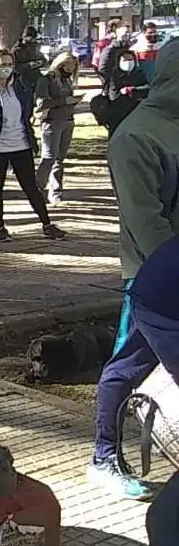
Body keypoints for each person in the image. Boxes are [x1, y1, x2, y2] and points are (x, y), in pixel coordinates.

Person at [89, 40, 179, 500]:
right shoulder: (135, 137)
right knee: (127, 364)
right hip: (152, 279)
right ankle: (104, 455)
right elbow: (146, 222)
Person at [0, 49, 67, 242]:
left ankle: (47, 224)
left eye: (10, 64)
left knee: (31, 186)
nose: (7, 68)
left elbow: (27, 110)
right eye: (3, 65)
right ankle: (0, 227)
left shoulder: (18, 86)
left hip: (21, 143)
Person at [34, 52, 80, 205]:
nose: (70, 70)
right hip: (52, 122)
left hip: (68, 120)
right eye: (68, 66)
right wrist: (64, 101)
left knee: (59, 160)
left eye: (73, 67)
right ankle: (37, 189)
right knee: (49, 157)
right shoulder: (47, 79)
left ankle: (56, 192)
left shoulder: (67, 80)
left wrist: (73, 102)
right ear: (61, 64)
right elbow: (41, 102)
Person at [96, 49, 150, 136]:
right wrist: (135, 94)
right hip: (117, 116)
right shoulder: (113, 76)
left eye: (131, 60)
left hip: (136, 114)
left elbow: (147, 89)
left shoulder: (139, 74)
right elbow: (114, 96)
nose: (128, 62)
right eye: (125, 60)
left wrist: (131, 90)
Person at [11, 26, 47, 97]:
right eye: (31, 38)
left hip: (36, 77)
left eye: (34, 38)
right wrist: (28, 65)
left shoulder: (35, 47)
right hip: (23, 80)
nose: (33, 40)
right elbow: (15, 67)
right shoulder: (17, 50)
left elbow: (43, 59)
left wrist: (41, 62)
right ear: (25, 37)